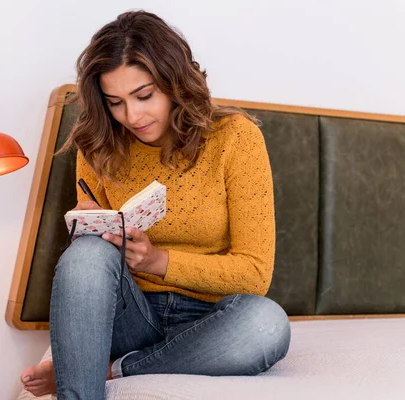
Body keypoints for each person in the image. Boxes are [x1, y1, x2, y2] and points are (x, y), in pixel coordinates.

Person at [20, 10, 290, 399]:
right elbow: (95, 262)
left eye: (145, 96)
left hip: (209, 318)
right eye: (115, 102)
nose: (132, 116)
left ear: (175, 82)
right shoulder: (98, 143)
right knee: (86, 254)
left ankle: (121, 368)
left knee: (267, 325)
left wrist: (156, 261)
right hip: (128, 314)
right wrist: (91, 229)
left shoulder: (236, 139)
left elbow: (254, 275)